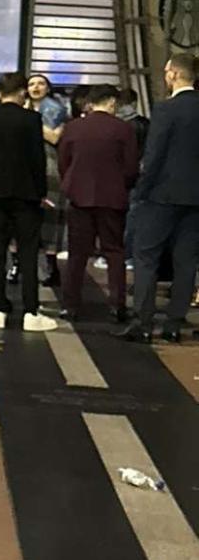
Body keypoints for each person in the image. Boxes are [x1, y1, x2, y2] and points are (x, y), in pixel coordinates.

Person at [123, 46, 199, 344]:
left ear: (174, 75)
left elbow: (154, 155)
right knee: (186, 261)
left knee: (146, 256)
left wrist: (142, 190)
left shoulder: (165, 109)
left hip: (161, 195)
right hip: (196, 199)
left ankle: (142, 322)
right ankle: (173, 324)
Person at [0, 71, 56, 331]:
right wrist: (41, 193)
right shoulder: (31, 120)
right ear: (22, 93)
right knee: (29, 252)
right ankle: (31, 311)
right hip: (26, 195)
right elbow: (37, 161)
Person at [57, 87, 139, 322]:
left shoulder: (73, 127)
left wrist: (72, 183)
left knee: (77, 254)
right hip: (112, 198)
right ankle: (117, 305)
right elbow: (131, 167)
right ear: (112, 102)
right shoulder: (123, 129)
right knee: (114, 252)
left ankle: (70, 306)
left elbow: (64, 162)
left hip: (79, 196)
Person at [27, 71, 69, 287]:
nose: (35, 87)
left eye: (41, 83)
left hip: (49, 165)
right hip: (25, 165)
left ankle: (51, 267)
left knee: (50, 217)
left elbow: (54, 136)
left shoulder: (54, 108)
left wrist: (28, 122)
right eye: (31, 83)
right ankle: (19, 263)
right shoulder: (24, 107)